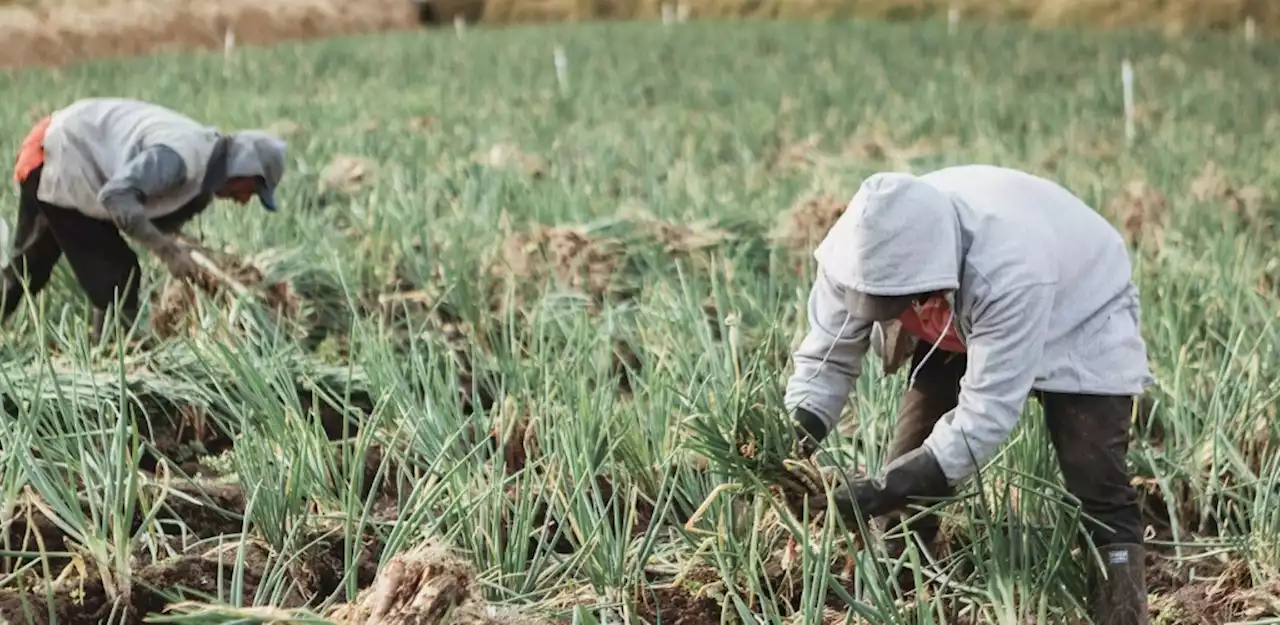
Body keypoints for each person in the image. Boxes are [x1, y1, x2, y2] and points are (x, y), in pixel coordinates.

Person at [782, 165, 1152, 625]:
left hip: (1079, 308)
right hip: (955, 316)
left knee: (1094, 475)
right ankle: (900, 597)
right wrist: (792, 443)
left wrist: (883, 487)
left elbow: (986, 415)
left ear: (926, 279)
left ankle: (1121, 610)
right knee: (910, 455)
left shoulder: (1009, 270)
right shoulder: (854, 251)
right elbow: (827, 359)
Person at [2, 98, 287, 343]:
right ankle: (114, 363)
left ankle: (108, 356)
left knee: (27, 271)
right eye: (250, 190)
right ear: (242, 169)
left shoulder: (201, 183)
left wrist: (194, 253)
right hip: (58, 155)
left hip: (66, 162)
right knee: (118, 276)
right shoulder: (180, 157)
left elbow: (160, 217)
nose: (243, 200)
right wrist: (167, 251)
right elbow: (118, 197)